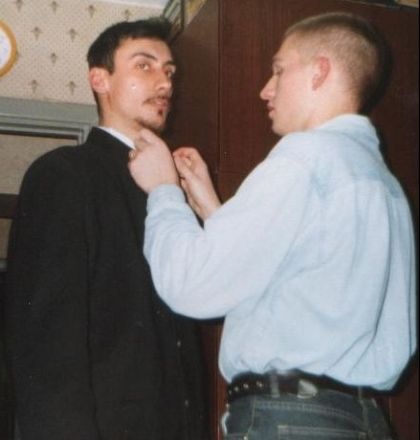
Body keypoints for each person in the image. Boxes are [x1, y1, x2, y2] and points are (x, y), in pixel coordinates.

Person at [127, 12, 417, 439]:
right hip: (361, 422)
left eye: (279, 70)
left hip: (288, 420)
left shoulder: (303, 157)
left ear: (320, 71)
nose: (266, 88)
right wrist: (211, 208)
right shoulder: (385, 185)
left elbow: (192, 285)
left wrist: (163, 191)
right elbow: (293, 273)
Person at [4, 18, 208, 440]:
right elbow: (46, 336)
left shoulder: (175, 188)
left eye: (169, 72)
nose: (165, 83)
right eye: (144, 66)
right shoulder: (63, 174)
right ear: (100, 79)